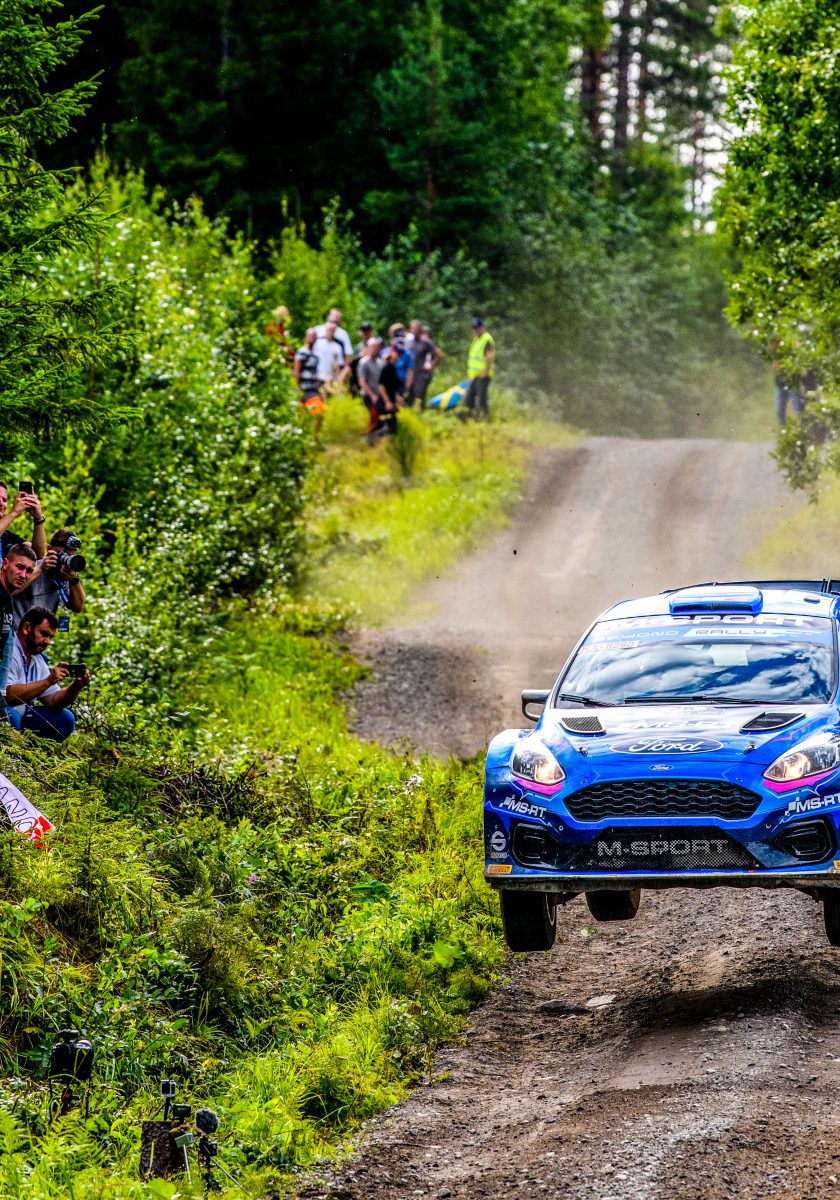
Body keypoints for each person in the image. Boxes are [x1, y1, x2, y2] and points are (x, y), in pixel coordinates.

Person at [5, 606, 89, 742]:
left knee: (65, 719)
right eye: (44, 634)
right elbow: (7, 697)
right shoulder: (8, 650)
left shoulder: (37, 658)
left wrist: (76, 686)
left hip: (23, 716)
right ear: (27, 628)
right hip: (6, 713)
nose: (48, 641)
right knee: (11, 716)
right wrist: (48, 681)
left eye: (50, 637)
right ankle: (11, 753)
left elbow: (53, 701)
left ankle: (30, 752)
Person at [12, 529, 87, 625]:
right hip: (17, 630)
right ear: (49, 549)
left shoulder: (66, 574)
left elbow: (78, 607)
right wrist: (41, 569)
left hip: (41, 632)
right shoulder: (32, 566)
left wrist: (74, 580)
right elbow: (11, 590)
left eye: (70, 556)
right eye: (62, 554)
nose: (64, 560)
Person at [0, 545, 39, 718]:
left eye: (29, 571)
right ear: (5, 564)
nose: (23, 575)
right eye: (20, 567)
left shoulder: (7, 598)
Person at [0, 481, 46, 560]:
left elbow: (38, 554)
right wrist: (14, 512)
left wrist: (38, 519)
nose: (1, 503)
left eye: (4, 500)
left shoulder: (7, 536)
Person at [293, 327, 326, 433]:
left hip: (313, 390)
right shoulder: (302, 352)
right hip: (303, 389)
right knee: (301, 417)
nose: (312, 338)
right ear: (306, 337)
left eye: (314, 336)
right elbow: (296, 371)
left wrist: (319, 389)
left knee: (319, 413)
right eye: (310, 336)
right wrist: (297, 388)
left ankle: (314, 436)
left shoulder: (316, 355)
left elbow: (315, 374)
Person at [408, 324, 443, 409]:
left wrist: (432, 365)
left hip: (421, 373)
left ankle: (421, 412)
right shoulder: (410, 342)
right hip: (411, 372)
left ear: (420, 330)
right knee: (410, 394)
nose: (415, 331)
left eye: (417, 329)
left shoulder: (426, 342)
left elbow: (439, 355)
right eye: (413, 329)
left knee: (419, 395)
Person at [466, 317, 495, 419]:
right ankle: (471, 420)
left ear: (482, 327)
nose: (475, 330)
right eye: (474, 328)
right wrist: (470, 375)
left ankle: (484, 420)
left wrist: (485, 372)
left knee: (482, 399)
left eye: (477, 328)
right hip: (474, 376)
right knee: (469, 400)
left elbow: (488, 357)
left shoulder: (486, 339)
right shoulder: (476, 340)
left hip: (482, 376)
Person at [358, 337, 384, 443]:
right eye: (373, 346)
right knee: (372, 416)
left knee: (378, 418)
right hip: (368, 396)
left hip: (378, 395)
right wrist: (371, 395)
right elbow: (362, 381)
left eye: (377, 347)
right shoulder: (364, 363)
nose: (375, 349)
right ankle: (365, 438)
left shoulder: (380, 363)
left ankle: (373, 440)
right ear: (368, 348)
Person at [313, 321, 347, 391]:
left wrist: (338, 379)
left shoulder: (337, 347)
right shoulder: (317, 343)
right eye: (328, 329)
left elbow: (338, 365)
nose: (329, 332)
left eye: (332, 330)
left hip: (331, 378)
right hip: (318, 377)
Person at [376, 344, 401, 437]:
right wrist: (387, 402)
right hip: (384, 403)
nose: (398, 355)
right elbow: (381, 385)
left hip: (390, 401)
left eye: (400, 354)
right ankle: (371, 441)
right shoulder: (387, 367)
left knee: (393, 428)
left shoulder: (393, 367)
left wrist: (397, 399)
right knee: (388, 427)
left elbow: (392, 387)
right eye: (397, 353)